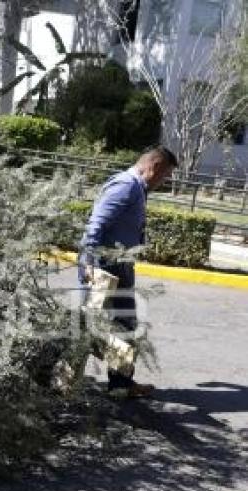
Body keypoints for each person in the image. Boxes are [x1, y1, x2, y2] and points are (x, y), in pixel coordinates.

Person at [79, 146, 178, 399]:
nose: (163, 182)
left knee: (123, 326)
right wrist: (89, 261)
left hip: (119, 268)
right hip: (104, 269)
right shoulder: (126, 185)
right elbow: (97, 222)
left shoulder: (136, 188)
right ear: (153, 167)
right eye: (165, 175)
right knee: (85, 327)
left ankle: (121, 385)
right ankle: (59, 380)